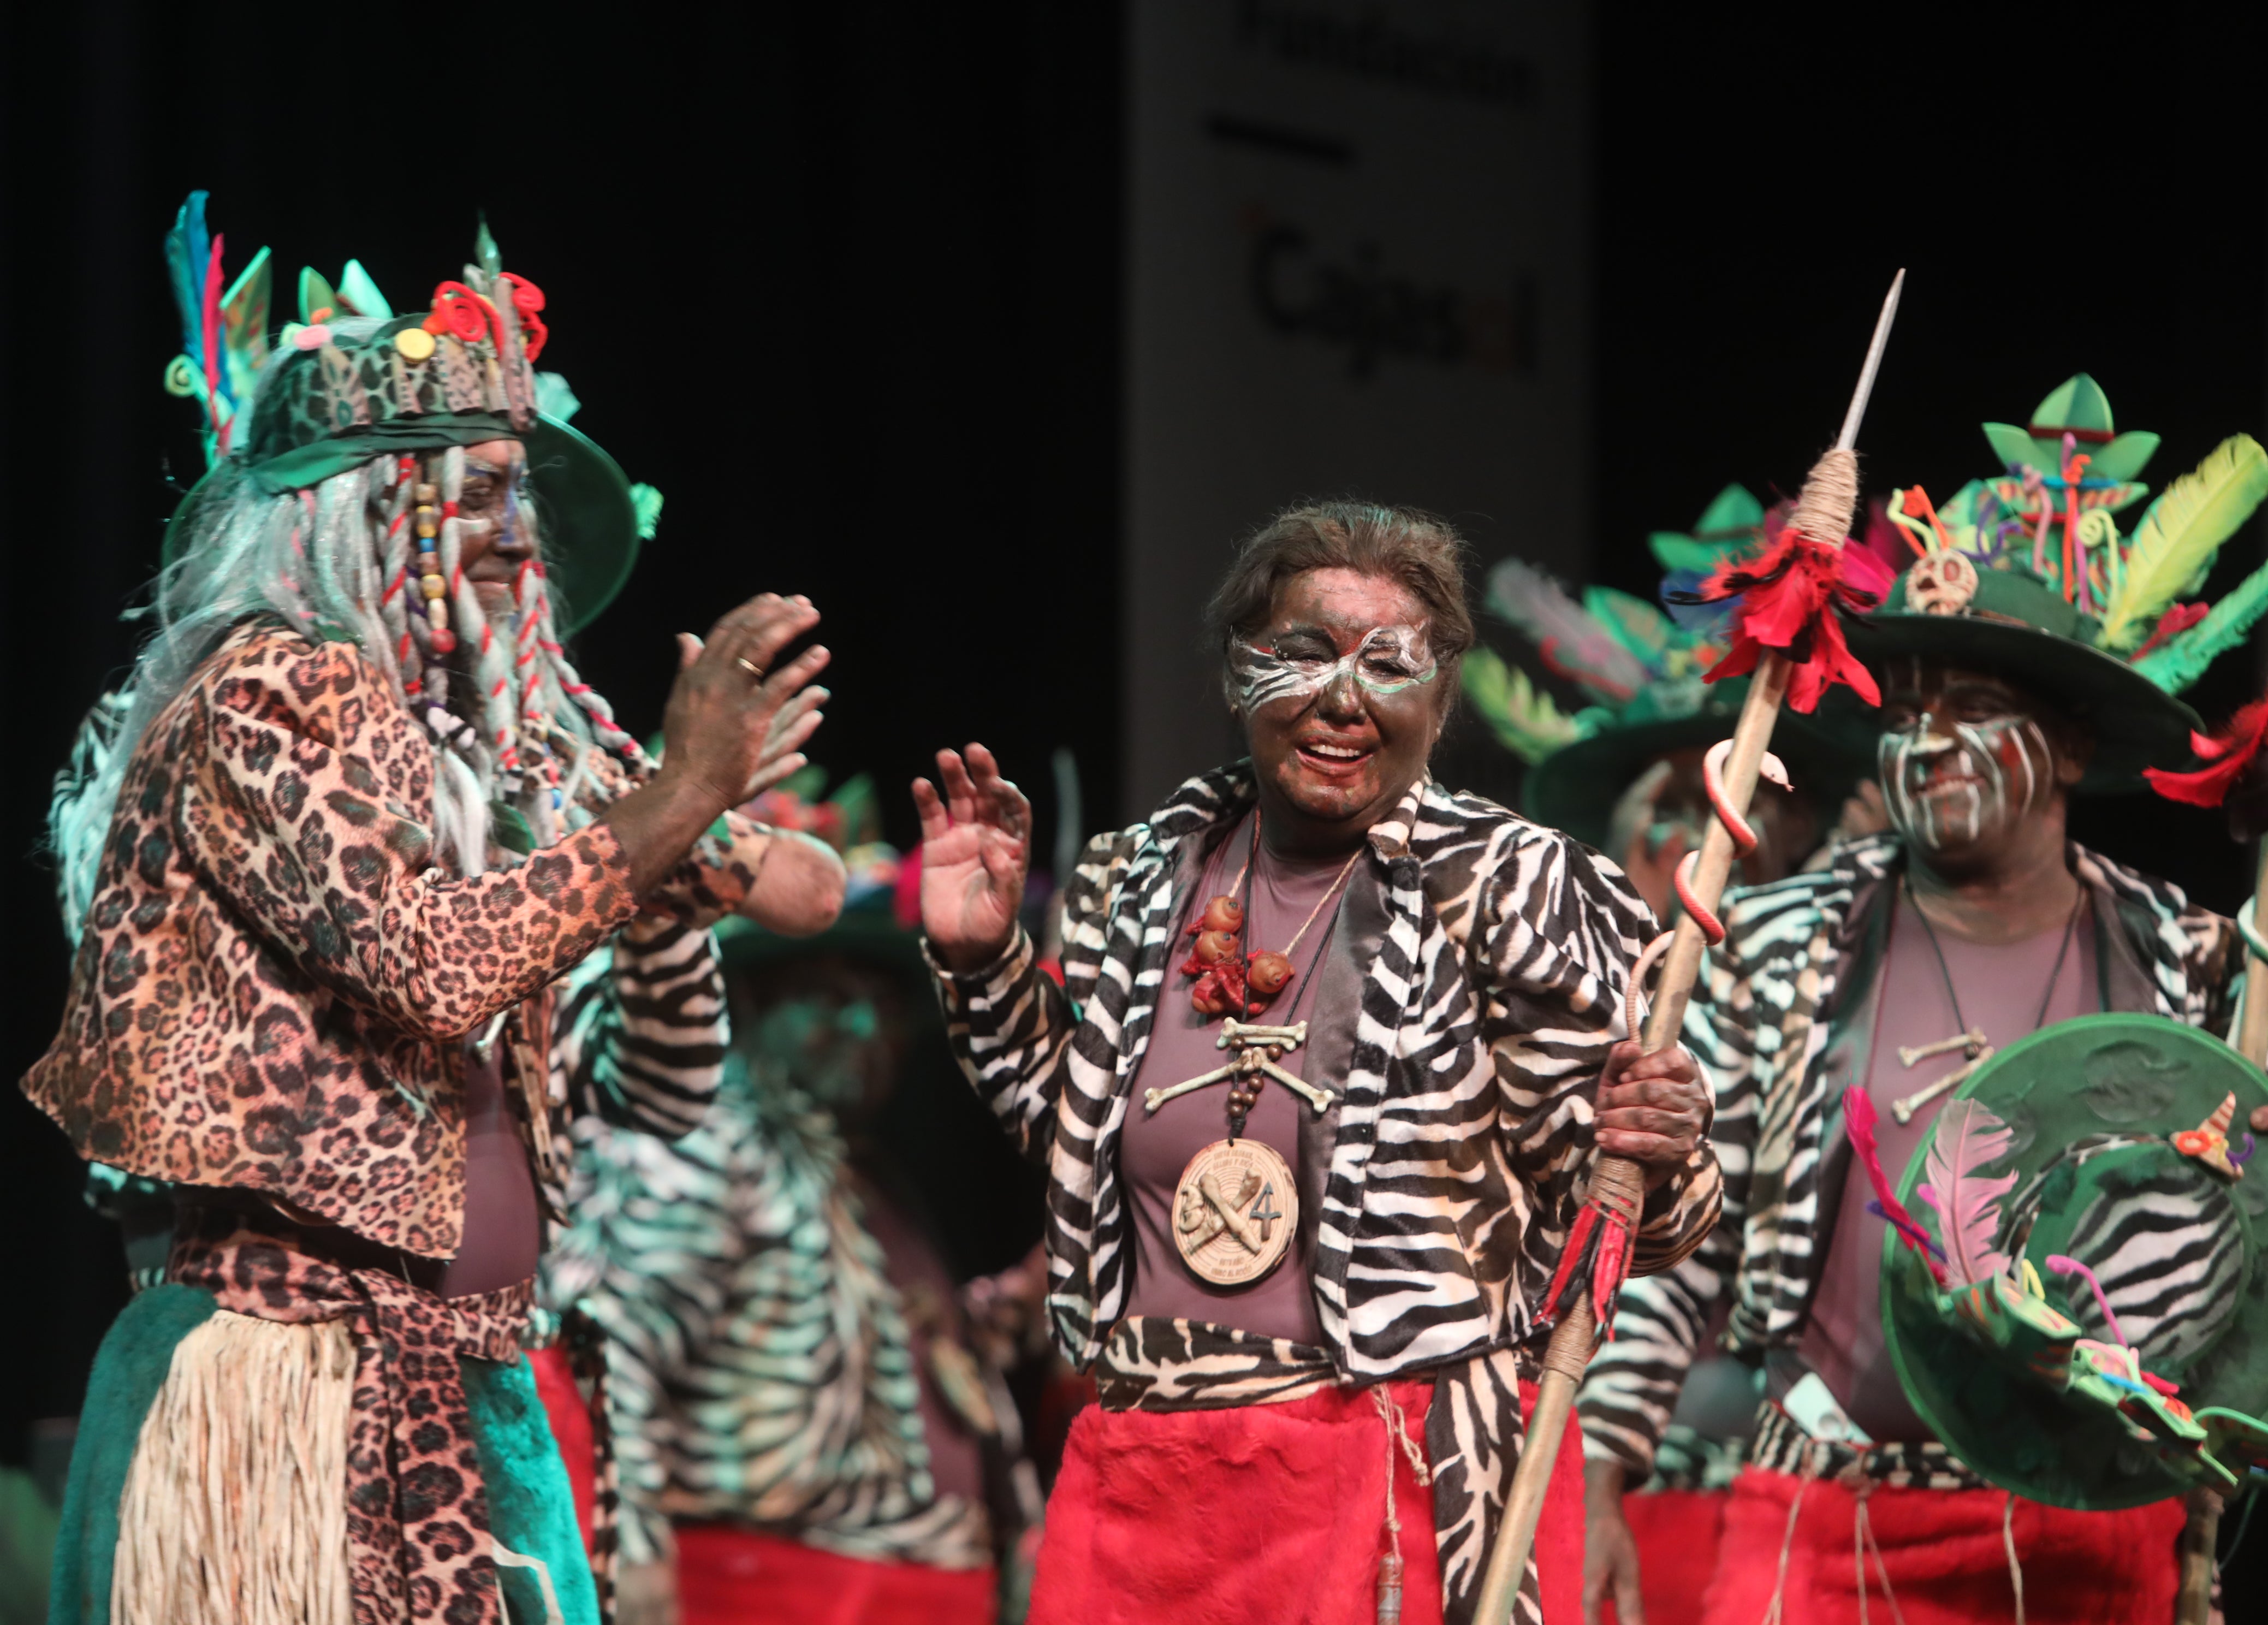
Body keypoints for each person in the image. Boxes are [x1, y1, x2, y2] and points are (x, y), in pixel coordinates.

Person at [27, 200, 843, 1625]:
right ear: (355, 510)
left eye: (520, 502)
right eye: (475, 498)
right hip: (289, 1384)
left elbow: (675, 1081)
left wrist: (678, 858)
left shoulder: (496, 790)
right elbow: (425, 964)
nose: (520, 544)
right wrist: (668, 813)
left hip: (469, 1389)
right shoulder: (272, 686)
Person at [1581, 378, 2268, 1624]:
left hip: (2092, 1531)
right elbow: (1676, 1244)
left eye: (1974, 714)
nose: (1925, 743)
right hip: (1824, 1523)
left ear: (2074, 753)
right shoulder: (1777, 942)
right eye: (1911, 712)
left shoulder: (2193, 959)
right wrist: (1604, 1465)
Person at [913, 502, 1722, 1625]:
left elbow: (1632, 1221)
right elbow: (1078, 1154)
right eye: (1302, 652)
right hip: (1145, 1474)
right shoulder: (1134, 884)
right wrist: (982, 965)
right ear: (1238, 675)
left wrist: (1664, 1149)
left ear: (1440, 702)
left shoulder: (1514, 888)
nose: (1344, 698)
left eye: (1391, 663)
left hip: (1387, 1481)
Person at [1466, 489, 1891, 1625]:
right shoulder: (1527, 1009)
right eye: (1662, 823)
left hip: (1768, 1479)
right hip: (1552, 1450)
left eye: (1736, 815)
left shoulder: (1829, 990)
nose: (1694, 851)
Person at [543, 778, 1045, 1625]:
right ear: (755, 1003)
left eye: (881, 1009)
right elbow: (615, 1345)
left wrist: (1001, 1312)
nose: (862, 1030)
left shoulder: (866, 1171)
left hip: (927, 1587)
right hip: (775, 1587)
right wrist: (635, 1560)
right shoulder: (710, 1136)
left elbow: (876, 1355)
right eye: (829, 999)